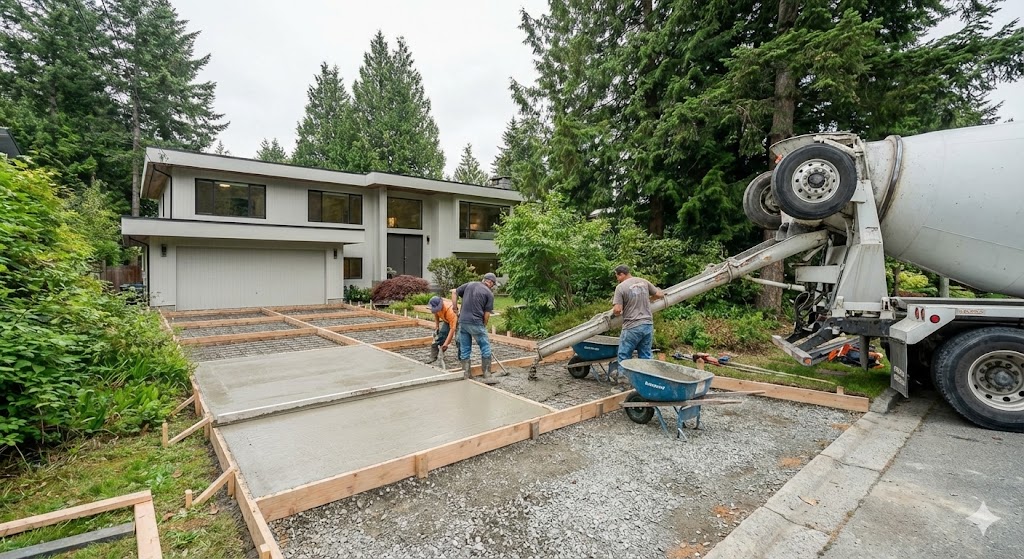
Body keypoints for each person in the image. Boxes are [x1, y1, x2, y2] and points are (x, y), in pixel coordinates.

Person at [611, 265, 664, 383]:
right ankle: (648, 381)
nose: (617, 279)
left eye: (617, 276)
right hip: (647, 325)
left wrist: (614, 312)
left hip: (632, 326)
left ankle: (623, 382)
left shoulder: (621, 288)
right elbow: (659, 294)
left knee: (624, 355)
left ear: (621, 274)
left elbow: (618, 309)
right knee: (645, 355)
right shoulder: (643, 281)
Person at [455, 272, 500, 384]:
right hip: (476, 322)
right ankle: (487, 375)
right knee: (485, 347)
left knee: (465, 349)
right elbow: (487, 314)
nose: (492, 287)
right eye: (493, 285)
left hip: (463, 322)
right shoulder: (489, 294)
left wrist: (455, 308)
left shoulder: (470, 284)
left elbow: (454, 292)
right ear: (490, 282)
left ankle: (466, 374)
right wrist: (484, 325)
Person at [424, 296, 458, 368]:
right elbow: (436, 315)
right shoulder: (437, 308)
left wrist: (446, 344)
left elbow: (452, 329)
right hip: (447, 320)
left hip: (459, 321)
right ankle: (434, 356)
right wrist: (437, 326)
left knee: (459, 340)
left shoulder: (451, 311)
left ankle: (462, 358)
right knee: (441, 336)